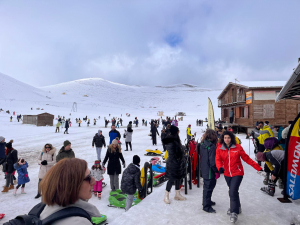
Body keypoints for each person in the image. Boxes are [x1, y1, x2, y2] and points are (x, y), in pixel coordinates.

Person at [215, 131, 263, 223]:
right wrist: (220, 167)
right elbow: (218, 159)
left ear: (231, 138)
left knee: (232, 191)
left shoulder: (238, 147)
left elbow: (247, 159)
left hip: (238, 173)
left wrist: (258, 168)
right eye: (225, 138)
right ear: (222, 139)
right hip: (227, 174)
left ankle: (234, 212)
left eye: (228, 138)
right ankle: (238, 207)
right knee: (234, 191)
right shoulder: (219, 148)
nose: (227, 139)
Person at [39, 158, 102, 224]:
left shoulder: (47, 209)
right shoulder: (79, 222)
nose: (94, 182)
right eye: (88, 178)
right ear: (71, 185)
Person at [163, 125, 186, 204]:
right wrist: (181, 152)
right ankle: (166, 195)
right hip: (173, 162)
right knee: (171, 178)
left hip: (178, 162)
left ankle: (177, 194)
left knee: (178, 178)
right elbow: (174, 152)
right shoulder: (171, 140)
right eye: (178, 131)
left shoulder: (175, 139)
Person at [198, 129, 219, 213]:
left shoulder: (202, 144)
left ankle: (207, 201)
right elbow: (212, 162)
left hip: (204, 169)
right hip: (210, 171)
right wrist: (216, 171)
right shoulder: (211, 146)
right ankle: (206, 206)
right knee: (208, 188)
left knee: (207, 187)